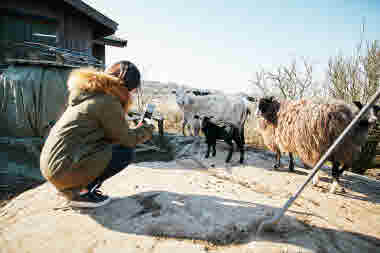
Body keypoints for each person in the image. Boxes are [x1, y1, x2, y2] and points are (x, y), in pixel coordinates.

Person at [40, 60, 154, 208]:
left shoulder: (90, 94)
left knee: (115, 145)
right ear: (128, 87)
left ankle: (74, 187)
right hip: (63, 170)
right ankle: (80, 193)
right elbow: (128, 140)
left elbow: (112, 135)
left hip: (53, 166)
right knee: (124, 152)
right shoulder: (107, 101)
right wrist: (147, 129)